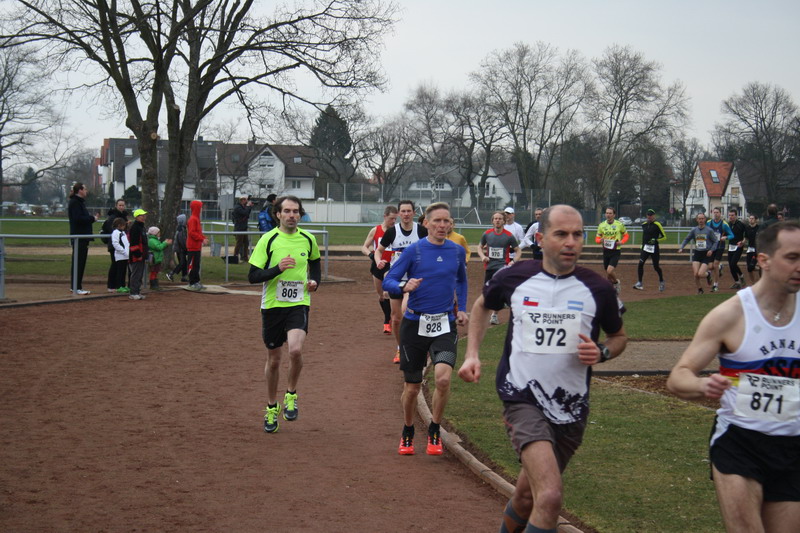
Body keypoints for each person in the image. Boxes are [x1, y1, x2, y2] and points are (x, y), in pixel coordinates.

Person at [458, 204, 627, 533]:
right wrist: (472, 354)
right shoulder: (515, 277)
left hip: (571, 407)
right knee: (549, 497)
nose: (570, 242)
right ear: (540, 238)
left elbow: (618, 336)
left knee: (525, 496)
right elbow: (482, 306)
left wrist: (603, 351)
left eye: (577, 234)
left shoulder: (598, 288)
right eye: (561, 234)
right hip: (522, 399)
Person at [667, 221, 800, 533]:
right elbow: (678, 377)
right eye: (792, 257)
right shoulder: (730, 315)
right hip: (740, 442)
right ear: (764, 260)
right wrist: (703, 384)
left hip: (793, 447)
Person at [382, 202, 469, 456]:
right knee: (412, 388)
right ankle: (408, 428)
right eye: (437, 221)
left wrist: (462, 308)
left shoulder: (456, 251)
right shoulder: (415, 251)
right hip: (414, 325)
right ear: (427, 223)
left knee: (443, 378)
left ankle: (435, 428)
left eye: (446, 221)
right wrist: (403, 287)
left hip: (444, 324)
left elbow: (462, 281)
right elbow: (389, 280)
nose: (442, 225)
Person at [248, 195, 321, 434]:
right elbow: (252, 276)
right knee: (274, 360)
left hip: (298, 303)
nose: (292, 215)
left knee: (295, 350)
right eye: (287, 211)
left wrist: (314, 282)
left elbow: (315, 264)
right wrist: (277, 269)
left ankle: (291, 393)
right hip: (272, 306)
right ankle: (271, 406)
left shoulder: (308, 239)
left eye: (296, 211)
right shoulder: (268, 240)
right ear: (278, 214)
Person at [375, 200, 428, 363]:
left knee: (408, 312)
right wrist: (379, 261)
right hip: (396, 279)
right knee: (396, 318)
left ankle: (419, 347)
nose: (406, 214)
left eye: (409, 211)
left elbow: (431, 249)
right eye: (403, 211)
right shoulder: (392, 232)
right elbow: (378, 250)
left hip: (415, 279)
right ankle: (401, 348)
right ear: (398, 214)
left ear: (414, 213)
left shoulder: (421, 231)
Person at [361, 205, 398, 335]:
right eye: (391, 218)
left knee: (387, 293)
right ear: (385, 216)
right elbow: (364, 247)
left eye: (395, 219)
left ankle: (387, 321)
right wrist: (371, 255)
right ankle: (388, 317)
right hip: (377, 265)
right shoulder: (375, 230)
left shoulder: (396, 231)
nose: (393, 221)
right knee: (381, 296)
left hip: (391, 265)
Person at [478, 211, 520, 325]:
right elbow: (479, 247)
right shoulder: (487, 234)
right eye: (495, 218)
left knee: (499, 289)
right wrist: (483, 257)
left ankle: (494, 315)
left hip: (502, 266)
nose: (497, 220)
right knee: (487, 291)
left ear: (504, 221)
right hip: (489, 266)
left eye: (500, 219)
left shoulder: (509, 236)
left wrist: (513, 261)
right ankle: (502, 302)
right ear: (492, 221)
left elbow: (518, 250)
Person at [67, 182, 99, 295]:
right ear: (80, 190)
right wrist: (92, 218)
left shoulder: (79, 202)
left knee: (80, 262)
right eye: (85, 189)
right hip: (79, 237)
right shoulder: (75, 203)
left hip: (82, 237)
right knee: (78, 262)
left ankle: (76, 286)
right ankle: (76, 287)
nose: (86, 191)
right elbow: (78, 219)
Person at [677, 212, 719, 294]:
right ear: (697, 220)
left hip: (706, 254)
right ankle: (700, 289)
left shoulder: (709, 230)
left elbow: (715, 241)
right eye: (699, 219)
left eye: (702, 219)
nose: (701, 220)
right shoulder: (694, 230)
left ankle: (708, 274)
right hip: (697, 253)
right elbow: (687, 239)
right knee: (696, 274)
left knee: (700, 274)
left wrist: (711, 250)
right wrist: (681, 247)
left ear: (705, 219)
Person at [595, 206, 629, 294]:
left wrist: (622, 242)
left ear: (614, 215)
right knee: (608, 273)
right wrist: (600, 240)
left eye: (610, 213)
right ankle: (610, 289)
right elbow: (597, 239)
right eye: (607, 213)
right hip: (606, 251)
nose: (608, 215)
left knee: (609, 271)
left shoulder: (619, 225)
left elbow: (626, 235)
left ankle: (616, 283)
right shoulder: (601, 225)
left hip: (615, 251)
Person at [633, 209, 667, 292]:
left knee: (656, 266)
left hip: (654, 249)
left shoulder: (657, 224)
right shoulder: (644, 225)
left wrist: (656, 240)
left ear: (654, 216)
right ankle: (640, 283)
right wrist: (642, 245)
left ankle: (661, 281)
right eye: (648, 215)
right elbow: (644, 236)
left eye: (651, 215)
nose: (649, 217)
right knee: (640, 264)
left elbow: (664, 237)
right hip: (645, 248)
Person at [101, 199, 128, 293]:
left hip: (122, 245)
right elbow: (111, 229)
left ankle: (120, 284)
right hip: (114, 245)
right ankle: (112, 285)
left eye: (123, 205)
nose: (121, 207)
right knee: (115, 265)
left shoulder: (124, 216)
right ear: (116, 206)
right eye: (120, 205)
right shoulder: (112, 217)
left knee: (122, 266)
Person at [707, 207, 734, 292]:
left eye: (717, 212)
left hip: (720, 247)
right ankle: (720, 267)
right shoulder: (709, 223)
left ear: (720, 213)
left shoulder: (724, 224)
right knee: (710, 266)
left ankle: (715, 285)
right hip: (711, 247)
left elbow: (732, 235)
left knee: (715, 265)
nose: (715, 214)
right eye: (714, 212)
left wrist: (725, 237)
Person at [186, 200, 209, 290]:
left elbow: (198, 232)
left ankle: (196, 281)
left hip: (196, 246)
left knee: (196, 265)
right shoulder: (193, 219)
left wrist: (203, 237)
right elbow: (192, 233)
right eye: (200, 207)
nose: (201, 209)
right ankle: (192, 282)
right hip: (192, 246)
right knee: (192, 265)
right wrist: (202, 239)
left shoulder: (196, 219)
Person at [127, 209, 149, 301]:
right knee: (135, 274)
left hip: (142, 254)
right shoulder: (135, 228)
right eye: (141, 215)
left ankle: (137, 291)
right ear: (136, 217)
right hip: (136, 256)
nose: (143, 217)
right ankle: (133, 293)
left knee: (139, 275)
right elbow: (134, 243)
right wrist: (137, 254)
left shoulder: (141, 227)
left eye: (144, 215)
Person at [726, 209, 747, 290]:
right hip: (730, 246)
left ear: (736, 216)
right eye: (729, 215)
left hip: (738, 246)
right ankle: (737, 282)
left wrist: (743, 241)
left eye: (732, 215)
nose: (731, 217)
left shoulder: (741, 224)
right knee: (731, 266)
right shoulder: (728, 225)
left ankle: (741, 276)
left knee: (733, 263)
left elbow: (746, 234)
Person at [147, 226, 172, 290]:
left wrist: (165, 243)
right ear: (154, 233)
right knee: (153, 272)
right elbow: (159, 247)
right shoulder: (152, 240)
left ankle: (155, 284)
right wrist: (165, 243)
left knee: (156, 272)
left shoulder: (155, 240)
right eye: (158, 232)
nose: (159, 234)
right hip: (154, 259)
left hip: (157, 259)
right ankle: (153, 285)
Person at [165, 214, 188, 283]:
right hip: (180, 249)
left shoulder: (181, 228)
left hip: (180, 249)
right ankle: (171, 273)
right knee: (182, 263)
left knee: (184, 263)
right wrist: (186, 248)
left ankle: (184, 277)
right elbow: (182, 241)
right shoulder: (181, 230)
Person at [109, 217, 130, 294]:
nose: (124, 227)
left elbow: (126, 243)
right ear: (119, 225)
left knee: (124, 271)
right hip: (120, 255)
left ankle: (123, 285)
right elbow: (116, 244)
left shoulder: (123, 232)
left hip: (125, 255)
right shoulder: (115, 232)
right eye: (123, 225)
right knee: (119, 272)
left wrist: (128, 252)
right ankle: (118, 286)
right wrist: (123, 251)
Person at [232, 195, 254, 262]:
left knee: (246, 243)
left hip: (243, 228)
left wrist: (249, 207)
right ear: (242, 200)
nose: (246, 201)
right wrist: (248, 206)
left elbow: (247, 214)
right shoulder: (238, 207)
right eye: (245, 200)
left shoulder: (242, 207)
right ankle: (235, 257)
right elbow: (245, 213)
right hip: (239, 228)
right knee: (239, 243)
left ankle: (245, 257)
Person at [744, 214, 761, 287]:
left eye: (752, 218)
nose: (751, 220)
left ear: (756, 220)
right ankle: (753, 283)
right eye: (750, 218)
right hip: (750, 249)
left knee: (751, 266)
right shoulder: (747, 228)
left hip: (757, 249)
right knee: (749, 268)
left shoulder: (759, 228)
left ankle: (762, 280)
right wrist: (742, 242)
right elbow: (746, 238)